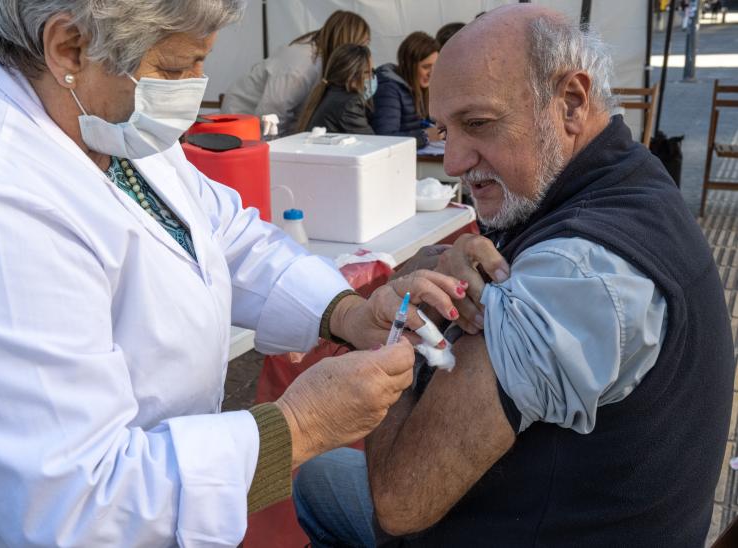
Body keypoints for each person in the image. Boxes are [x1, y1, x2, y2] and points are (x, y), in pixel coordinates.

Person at [0, 1, 468, 545]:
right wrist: (299, 428)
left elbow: (221, 234)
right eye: (176, 68)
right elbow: (79, 500)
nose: (196, 85)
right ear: (69, 46)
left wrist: (345, 313)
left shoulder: (99, 116)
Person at [293, 5, 733, 547]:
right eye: (442, 128)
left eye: (477, 124)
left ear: (570, 102)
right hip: (595, 510)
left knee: (317, 476)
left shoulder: (575, 273)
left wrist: (399, 324)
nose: (452, 160)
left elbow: (402, 500)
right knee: (323, 476)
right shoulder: (624, 180)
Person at [221, 10, 370, 135]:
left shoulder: (319, 59)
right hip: (242, 117)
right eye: (362, 44)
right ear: (347, 41)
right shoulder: (302, 63)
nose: (363, 53)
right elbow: (271, 113)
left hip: (261, 122)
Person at [371, 32, 441, 149]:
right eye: (426, 67)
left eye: (435, 66)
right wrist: (425, 136)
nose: (432, 73)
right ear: (409, 65)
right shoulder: (388, 90)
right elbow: (385, 137)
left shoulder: (419, 86)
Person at [297, 44, 375, 134]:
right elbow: (370, 142)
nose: (371, 77)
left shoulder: (327, 91)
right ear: (352, 74)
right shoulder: (350, 103)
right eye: (367, 72)